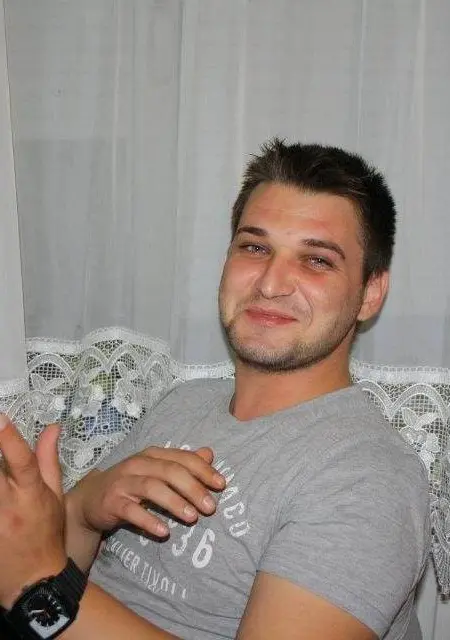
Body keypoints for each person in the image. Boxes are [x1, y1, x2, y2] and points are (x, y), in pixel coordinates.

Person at [0, 139, 430, 640]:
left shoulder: (369, 478)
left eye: (316, 260)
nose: (270, 283)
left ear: (370, 293)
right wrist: (82, 512)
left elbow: (39, 585)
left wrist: (37, 589)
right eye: (255, 247)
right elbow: (57, 568)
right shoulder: (185, 402)